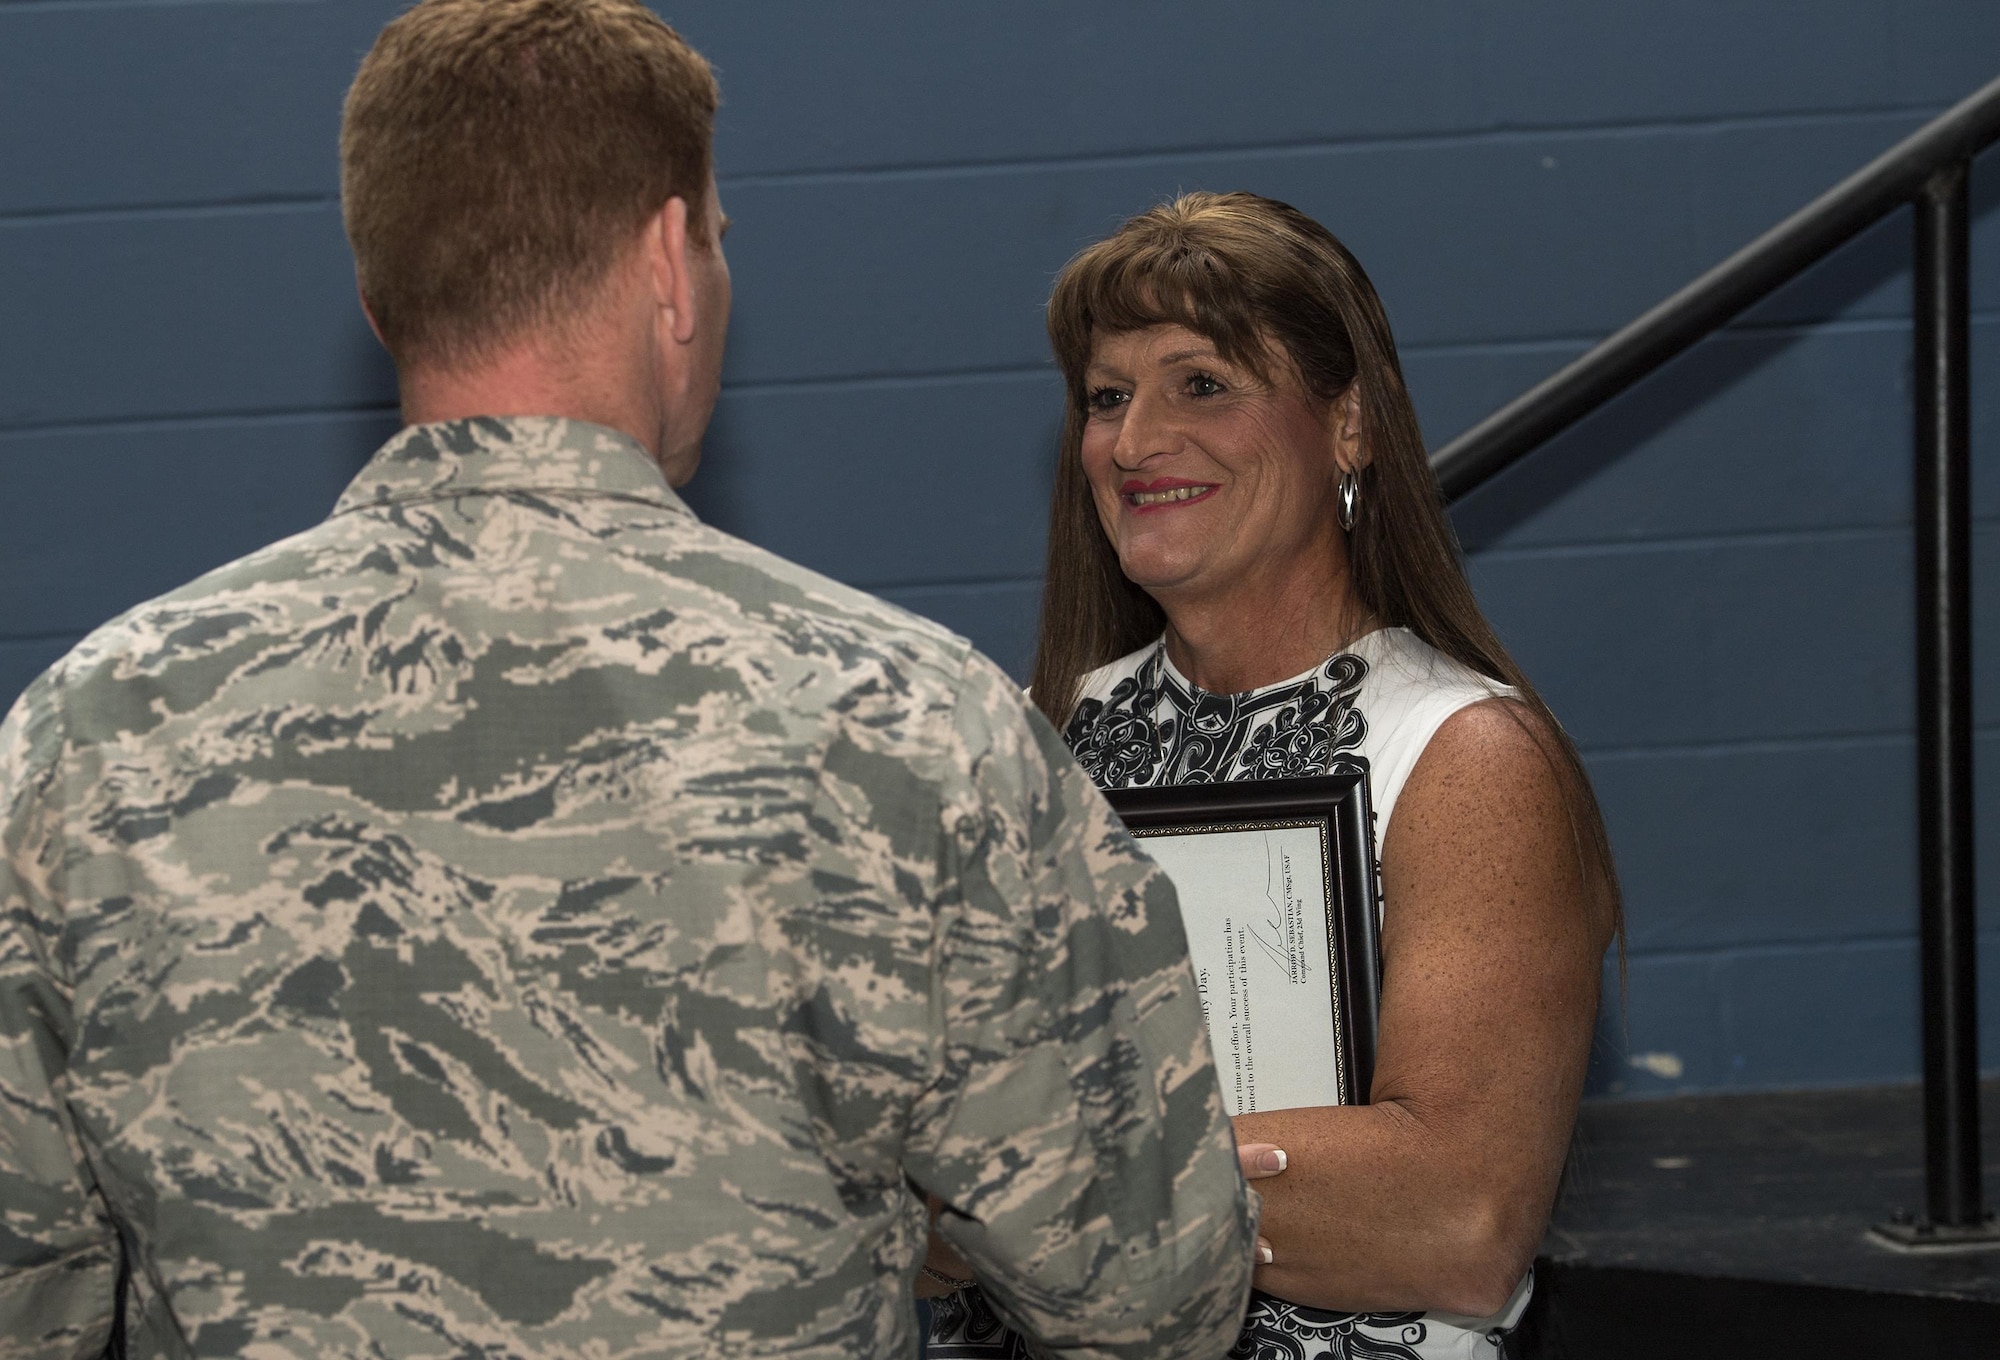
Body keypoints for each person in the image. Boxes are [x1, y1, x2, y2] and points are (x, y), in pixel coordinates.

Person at [0, 6, 1258, 1355]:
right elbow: (1158, 1296)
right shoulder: (905, 724)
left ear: (382, 300)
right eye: (717, 238)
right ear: (672, 260)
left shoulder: (91, 738)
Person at [924, 193, 1619, 1359]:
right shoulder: (1043, 735)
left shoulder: (1464, 758)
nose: (1135, 441)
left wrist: (1021, 1179)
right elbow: (911, 1173)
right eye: (1106, 398)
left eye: (1200, 383)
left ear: (1345, 423)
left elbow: (1455, 1215)